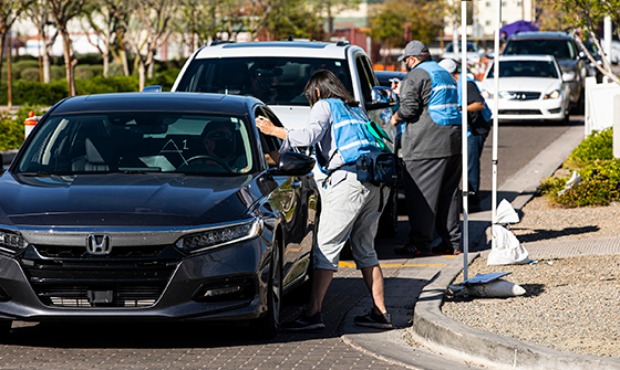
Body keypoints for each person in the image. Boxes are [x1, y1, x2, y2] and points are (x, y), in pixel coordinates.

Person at [256, 69, 393, 331]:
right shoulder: (354, 108)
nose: (310, 101)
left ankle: (313, 314)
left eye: (310, 97)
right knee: (365, 250)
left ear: (317, 91)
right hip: (375, 183)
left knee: (325, 249)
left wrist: (273, 130)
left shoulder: (324, 105)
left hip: (348, 182)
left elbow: (309, 136)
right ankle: (381, 313)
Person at [389, 40, 463, 257]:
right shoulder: (444, 73)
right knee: (448, 196)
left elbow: (410, 109)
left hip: (427, 144)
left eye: (405, 61)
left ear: (411, 59)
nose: (405, 65)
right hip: (453, 140)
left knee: (421, 196)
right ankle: (452, 243)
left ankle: (420, 243)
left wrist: (395, 117)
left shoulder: (416, 75)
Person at [438, 58, 492, 213]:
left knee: (470, 165)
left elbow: (479, 104)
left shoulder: (466, 84)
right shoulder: (455, 83)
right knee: (463, 164)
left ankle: (473, 202)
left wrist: (460, 109)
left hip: (475, 129)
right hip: (467, 128)